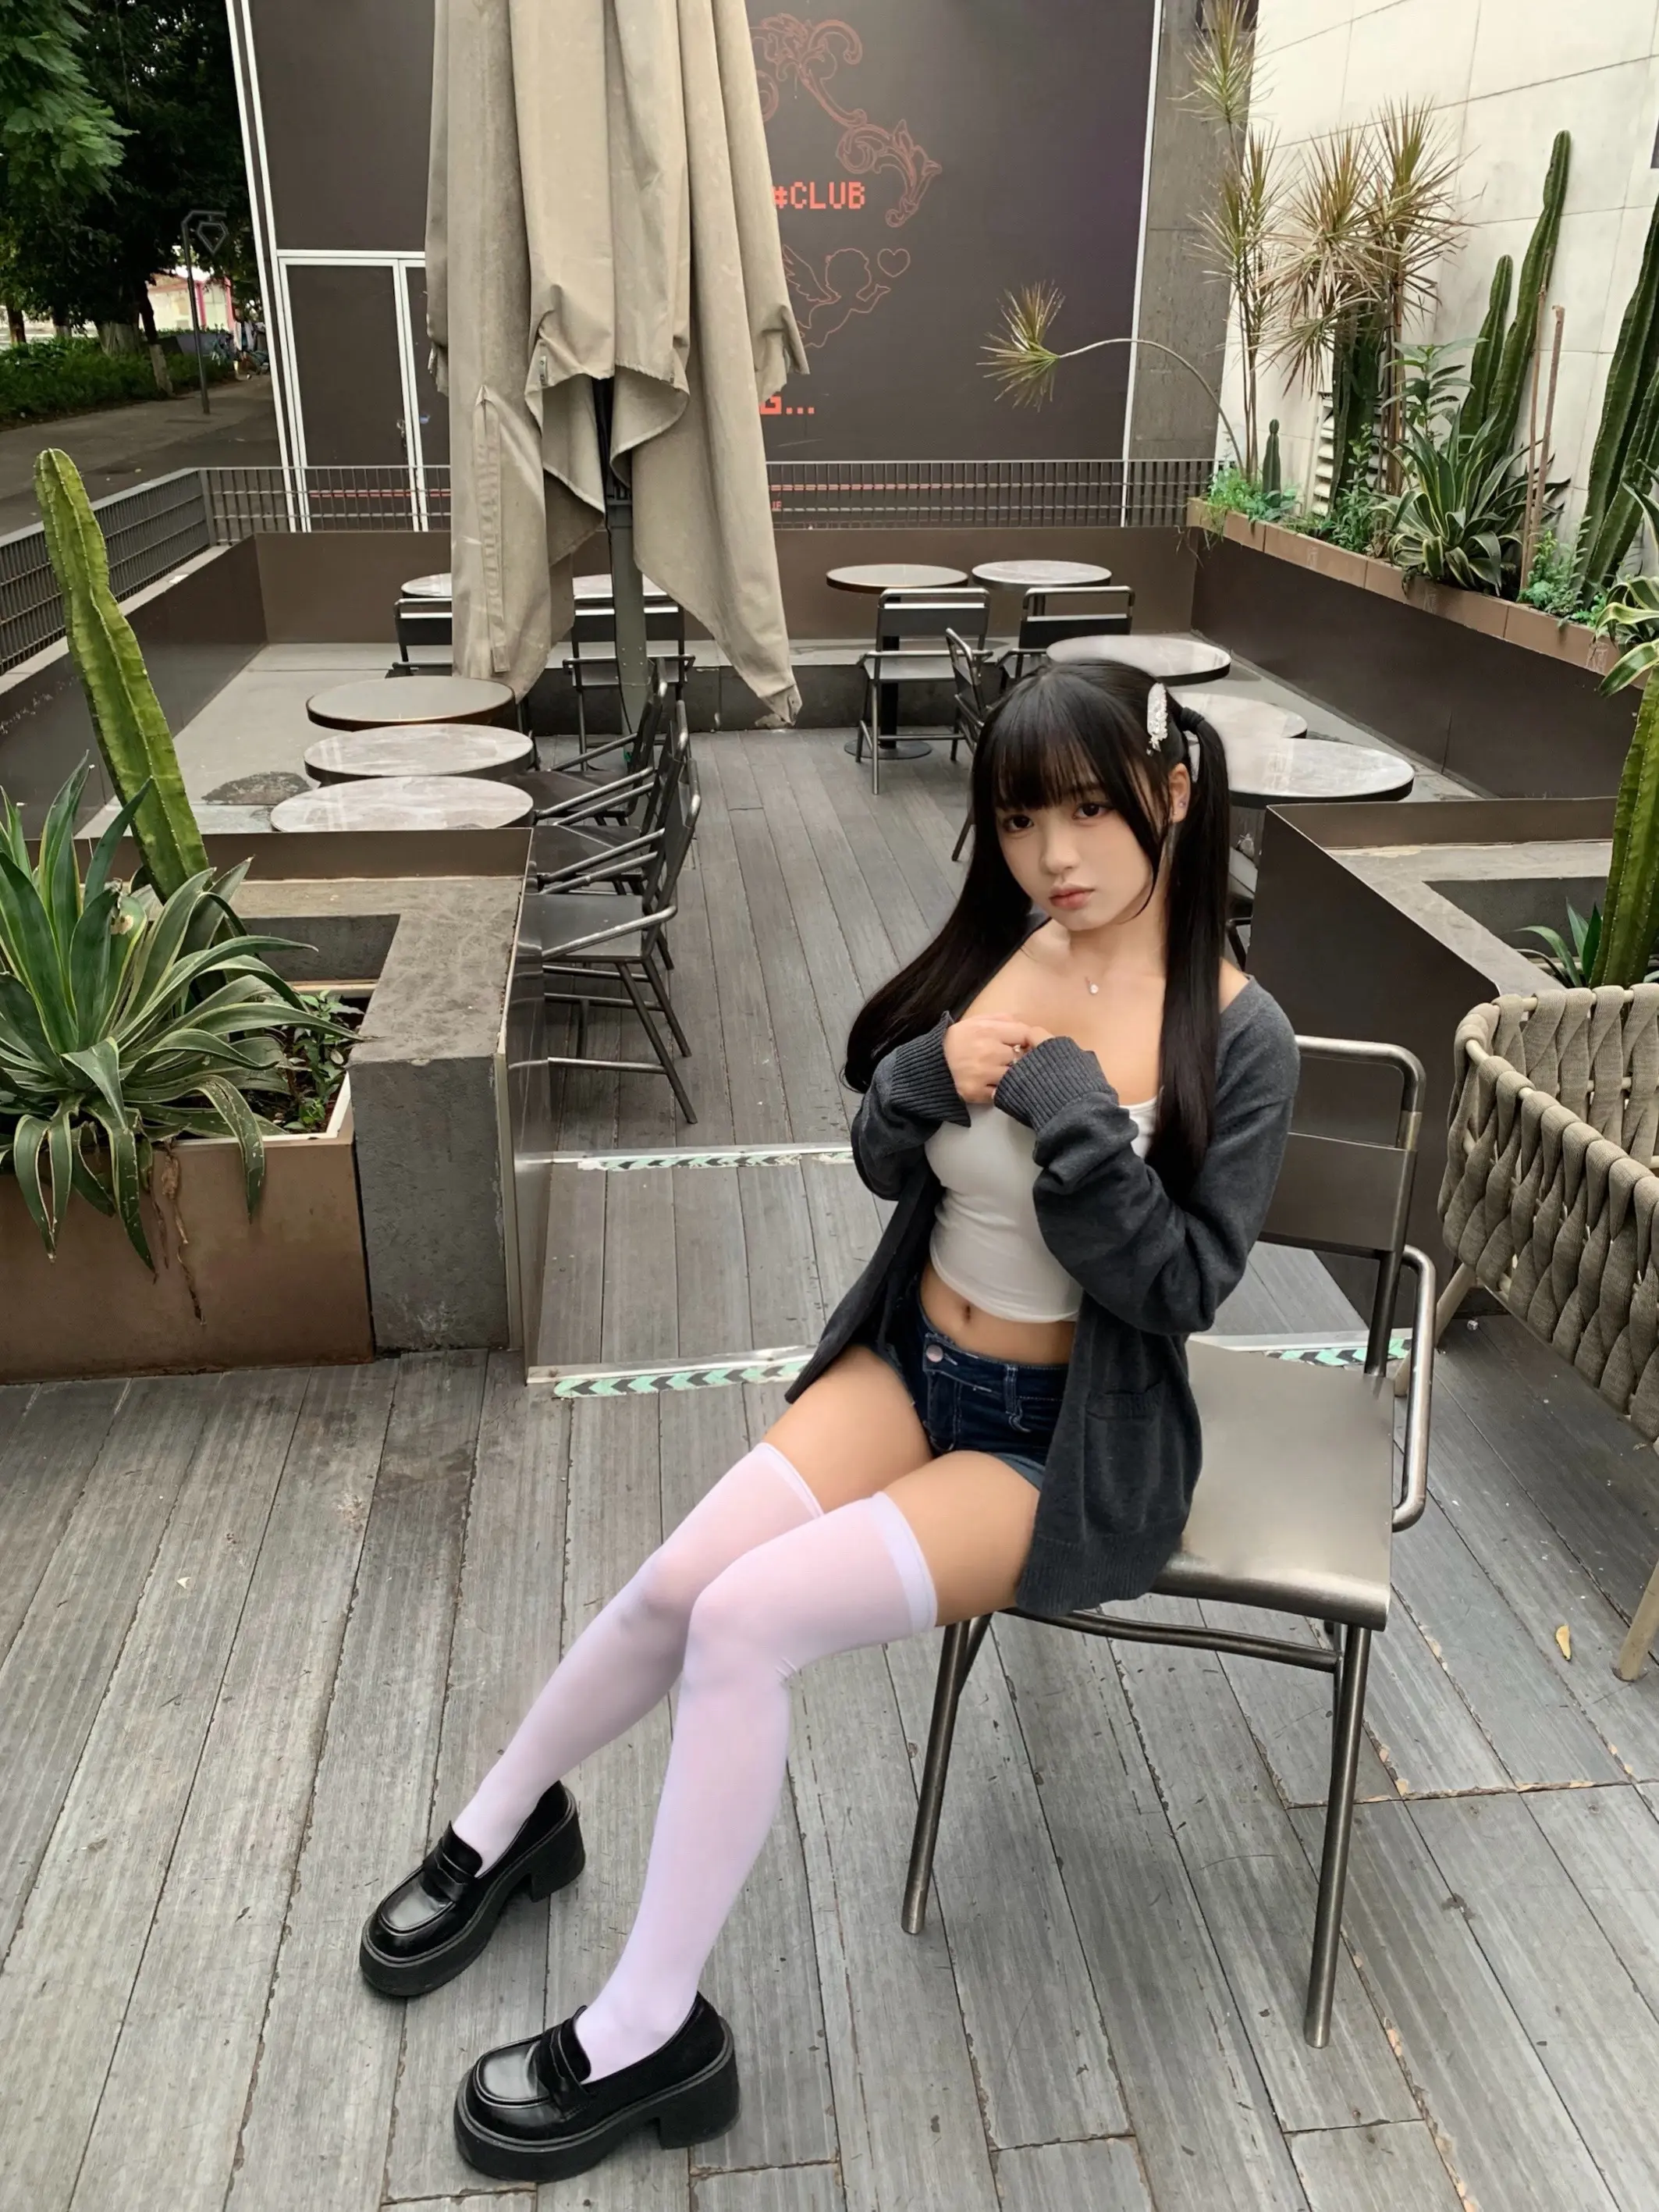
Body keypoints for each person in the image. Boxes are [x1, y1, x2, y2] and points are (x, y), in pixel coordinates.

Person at [358, 660, 1300, 2185]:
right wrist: (923, 1074)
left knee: (744, 1625)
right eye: (1019, 817)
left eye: (1086, 807)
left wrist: (1077, 1122)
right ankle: (506, 1822)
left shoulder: (1243, 1037)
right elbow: (884, 1153)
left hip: (1057, 1439)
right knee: (677, 1582)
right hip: (911, 1362)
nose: (1053, 853)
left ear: (1172, 794)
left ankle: (648, 2030)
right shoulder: (1005, 952)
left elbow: (1182, 1285)